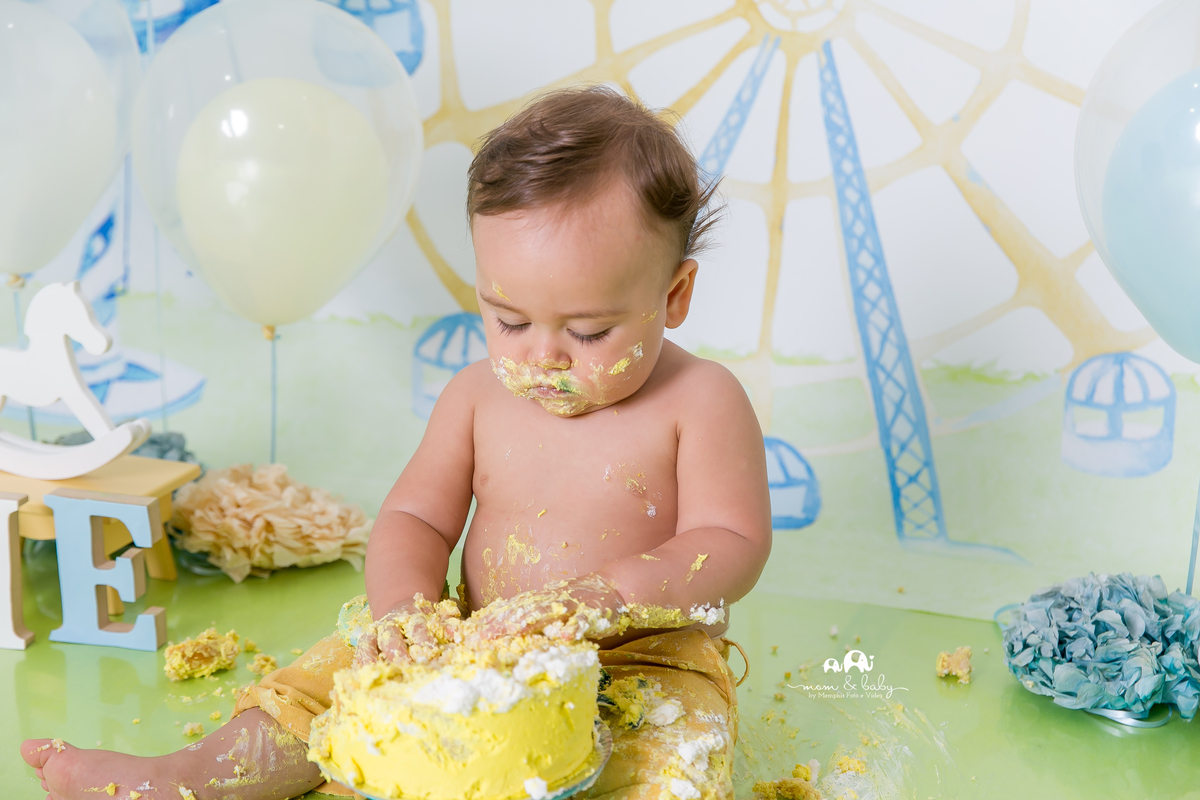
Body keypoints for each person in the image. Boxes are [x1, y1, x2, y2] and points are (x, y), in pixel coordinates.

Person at [22, 85, 772, 800]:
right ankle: (196, 775)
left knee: (673, 759)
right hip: (471, 641)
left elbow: (732, 539)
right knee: (320, 691)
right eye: (509, 320)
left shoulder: (701, 401)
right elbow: (416, 518)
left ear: (672, 297)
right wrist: (406, 612)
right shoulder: (476, 397)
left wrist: (610, 597)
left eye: (588, 331)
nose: (542, 355)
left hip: (641, 655)